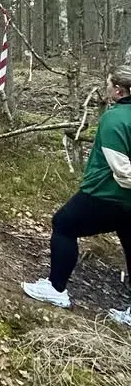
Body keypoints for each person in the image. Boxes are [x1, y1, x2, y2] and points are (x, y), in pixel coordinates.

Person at [22, 66, 131, 325]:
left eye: (108, 84)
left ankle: (56, 289)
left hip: (106, 193)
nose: (105, 89)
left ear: (118, 90)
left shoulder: (114, 119)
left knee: (63, 224)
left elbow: (122, 170)